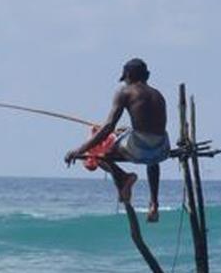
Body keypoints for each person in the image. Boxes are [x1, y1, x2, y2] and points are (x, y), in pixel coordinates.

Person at [64, 58, 170, 222]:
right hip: (161, 148)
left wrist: (80, 150)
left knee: (100, 153)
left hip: (140, 146)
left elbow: (107, 128)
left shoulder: (125, 92)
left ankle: (124, 177)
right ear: (147, 76)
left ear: (127, 75)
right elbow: (149, 126)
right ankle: (154, 203)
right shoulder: (158, 94)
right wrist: (128, 131)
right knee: (151, 160)